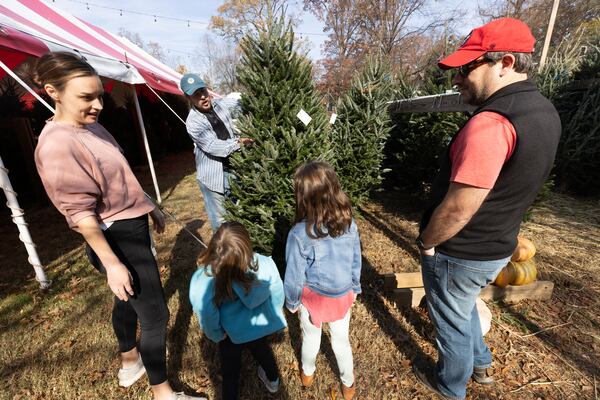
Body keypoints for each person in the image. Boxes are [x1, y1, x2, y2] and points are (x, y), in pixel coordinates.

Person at [33, 52, 204, 400]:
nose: (97, 104)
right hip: (116, 237)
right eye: (86, 97)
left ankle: (130, 362)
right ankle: (163, 393)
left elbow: (118, 173)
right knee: (156, 316)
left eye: (99, 95)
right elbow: (81, 215)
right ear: (54, 92)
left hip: (130, 224)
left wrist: (148, 205)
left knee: (126, 300)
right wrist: (113, 263)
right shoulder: (57, 145)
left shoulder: (91, 126)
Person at [413, 18, 561, 399]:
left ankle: (450, 386)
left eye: (467, 68)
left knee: (451, 323)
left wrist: (428, 241)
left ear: (505, 62)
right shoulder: (544, 112)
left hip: (460, 252)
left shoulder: (490, 124)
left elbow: (460, 207)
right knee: (464, 309)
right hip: (496, 246)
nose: (457, 79)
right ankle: (481, 365)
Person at [284, 161, 362, 400]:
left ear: (304, 198)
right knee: (342, 342)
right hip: (342, 296)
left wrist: (292, 302)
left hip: (314, 300)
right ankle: (348, 384)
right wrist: (355, 286)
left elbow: (294, 274)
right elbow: (355, 259)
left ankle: (307, 373)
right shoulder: (349, 224)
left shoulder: (299, 234)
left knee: (310, 338)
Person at [189, 222, 286, 400]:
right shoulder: (265, 264)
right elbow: (278, 292)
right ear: (246, 243)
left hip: (230, 334)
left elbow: (207, 313)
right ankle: (273, 380)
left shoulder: (205, 277)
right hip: (258, 327)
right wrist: (275, 317)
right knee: (263, 351)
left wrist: (217, 334)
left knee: (230, 371)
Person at [180, 74, 254, 233]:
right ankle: (224, 256)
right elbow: (214, 146)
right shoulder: (193, 123)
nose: (203, 97)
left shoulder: (221, 104)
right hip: (213, 178)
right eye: (196, 95)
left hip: (235, 170)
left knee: (240, 216)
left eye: (203, 91)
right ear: (188, 97)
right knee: (221, 225)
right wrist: (240, 142)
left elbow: (242, 102)